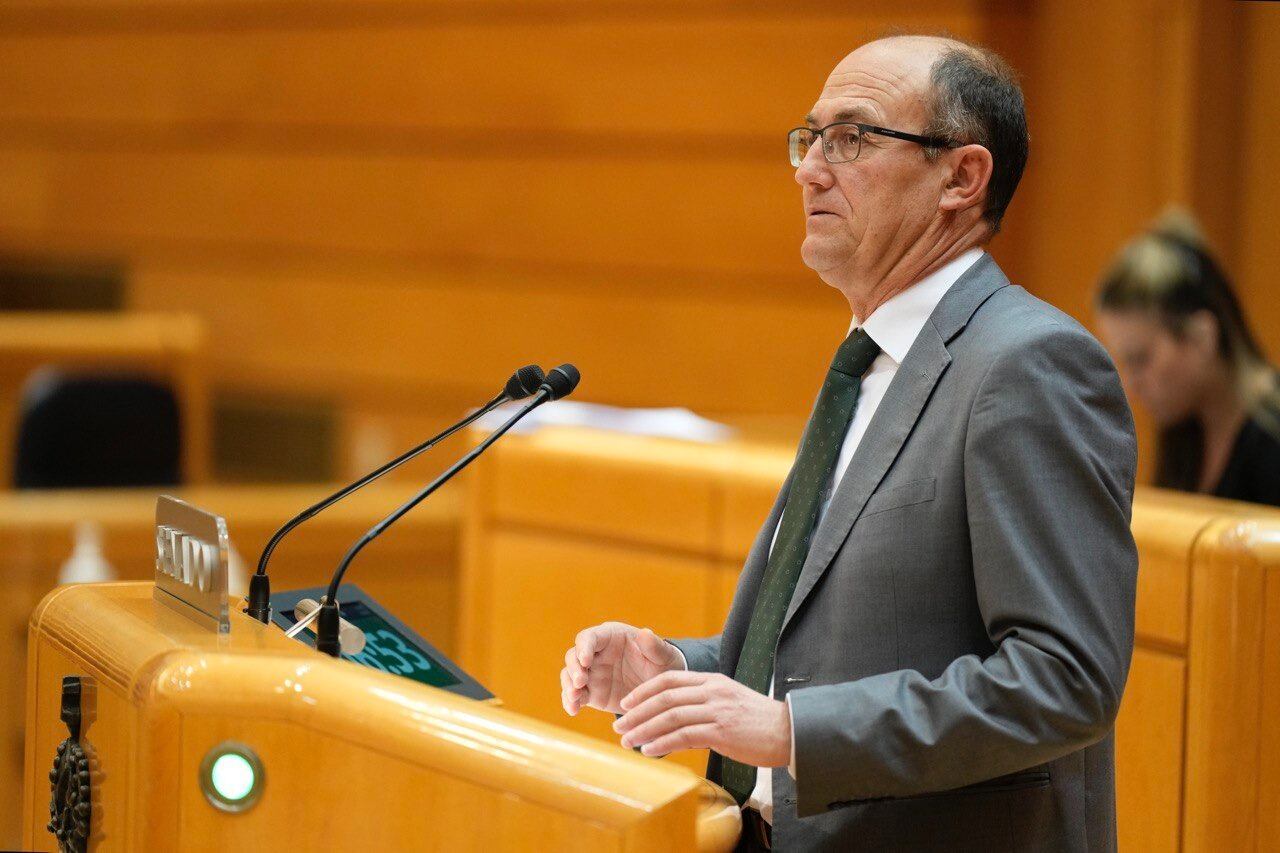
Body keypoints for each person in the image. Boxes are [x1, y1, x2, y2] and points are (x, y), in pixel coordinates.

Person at [559, 35, 1138, 851]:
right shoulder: (869, 361)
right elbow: (845, 638)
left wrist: (797, 732)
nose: (809, 169)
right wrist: (685, 670)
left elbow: (1063, 680)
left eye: (853, 137)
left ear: (962, 178)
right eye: (811, 137)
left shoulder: (1026, 365)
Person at [1096, 211, 1280, 506]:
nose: (1130, 386)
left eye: (1141, 359)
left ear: (1201, 337)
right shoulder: (1183, 431)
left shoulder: (1272, 434)